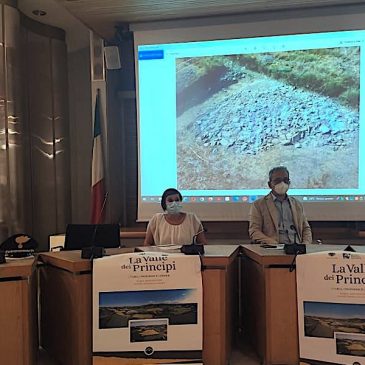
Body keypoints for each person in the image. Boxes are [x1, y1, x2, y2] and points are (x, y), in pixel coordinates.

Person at [249, 166, 312, 245]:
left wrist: (305, 245)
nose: (282, 183)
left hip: (297, 248)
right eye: (277, 180)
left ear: (289, 183)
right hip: (272, 249)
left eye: (285, 180)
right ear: (269, 184)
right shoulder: (259, 205)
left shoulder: (297, 204)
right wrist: (273, 244)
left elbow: (306, 229)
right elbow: (254, 231)